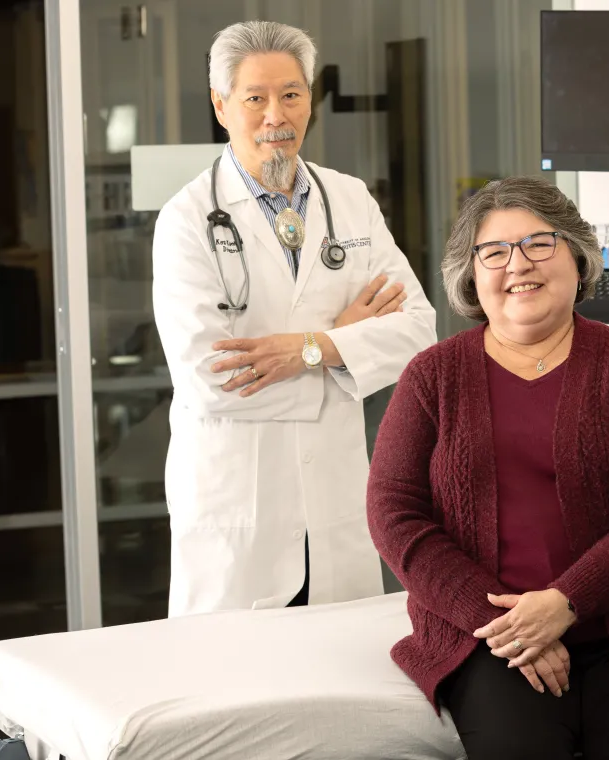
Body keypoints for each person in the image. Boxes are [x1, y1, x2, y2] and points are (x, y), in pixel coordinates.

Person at [366, 176, 609, 759]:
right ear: (471, 277)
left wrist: (567, 602)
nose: (517, 264)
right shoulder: (432, 377)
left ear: (577, 259)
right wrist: (504, 624)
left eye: (538, 244)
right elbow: (394, 514)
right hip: (489, 643)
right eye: (494, 251)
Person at [152, 20, 436, 617]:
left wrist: (307, 349)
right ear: (221, 105)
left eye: (292, 94)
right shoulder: (186, 220)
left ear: (310, 98)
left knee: (339, 680)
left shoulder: (350, 199)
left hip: (333, 497)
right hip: (240, 510)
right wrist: (348, 344)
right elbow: (214, 379)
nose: (275, 115)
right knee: (231, 687)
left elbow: (417, 332)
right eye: (254, 98)